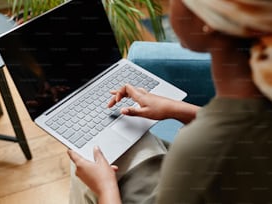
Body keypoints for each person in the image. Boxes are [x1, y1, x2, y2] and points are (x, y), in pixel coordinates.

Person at [68, 0, 272, 203]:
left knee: (87, 158)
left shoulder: (201, 148)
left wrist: (105, 188)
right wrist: (174, 108)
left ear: (206, 20)